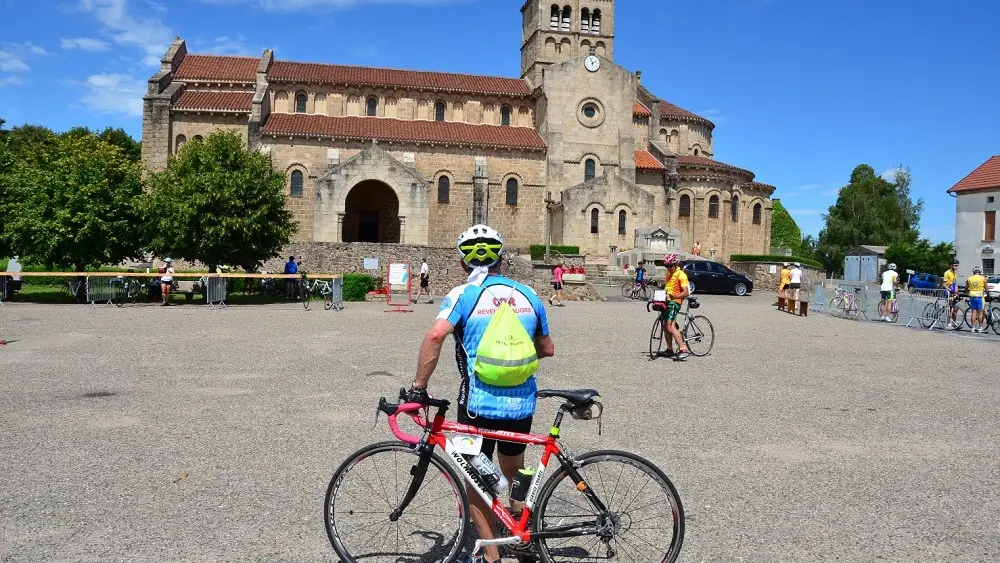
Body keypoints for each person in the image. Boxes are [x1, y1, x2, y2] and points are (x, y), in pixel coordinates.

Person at [407, 224, 554, 563]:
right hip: (521, 404)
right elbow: (547, 349)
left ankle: (491, 557)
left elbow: (434, 337)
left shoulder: (463, 295)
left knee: (476, 480)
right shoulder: (529, 295)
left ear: (462, 264)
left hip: (477, 404)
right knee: (513, 469)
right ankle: (520, 533)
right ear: (502, 259)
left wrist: (418, 388)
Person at [661, 254, 691, 360]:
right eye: (666, 266)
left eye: (670, 266)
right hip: (667, 302)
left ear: (675, 264)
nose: (668, 268)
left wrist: (674, 296)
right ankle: (670, 349)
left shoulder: (681, 275)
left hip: (675, 302)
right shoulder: (668, 274)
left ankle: (683, 349)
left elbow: (686, 292)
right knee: (665, 326)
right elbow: (668, 287)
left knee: (670, 326)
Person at [967, 265, 989, 333]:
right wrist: (988, 295)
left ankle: (973, 328)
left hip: (972, 296)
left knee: (973, 312)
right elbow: (987, 289)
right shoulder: (983, 278)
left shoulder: (969, 278)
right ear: (980, 272)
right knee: (980, 312)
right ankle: (980, 328)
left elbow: (966, 289)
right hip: (979, 296)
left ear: (973, 272)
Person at [943, 259, 960, 329]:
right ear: (951, 265)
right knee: (949, 308)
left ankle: (953, 323)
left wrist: (956, 291)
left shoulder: (955, 274)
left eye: (957, 266)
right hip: (948, 290)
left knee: (955, 308)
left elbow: (955, 284)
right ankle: (948, 323)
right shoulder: (947, 273)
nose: (957, 267)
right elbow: (944, 284)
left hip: (953, 290)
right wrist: (950, 290)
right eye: (955, 265)